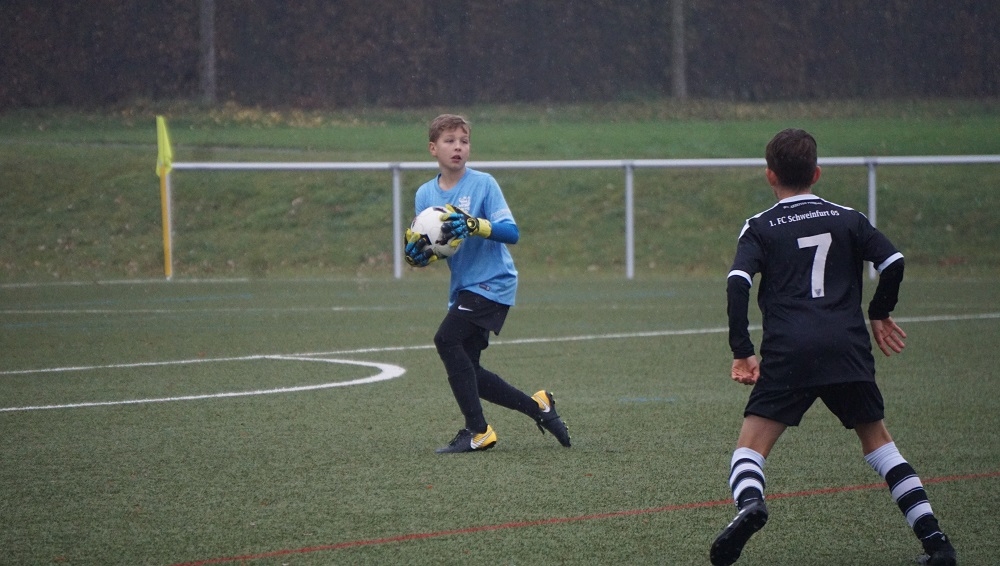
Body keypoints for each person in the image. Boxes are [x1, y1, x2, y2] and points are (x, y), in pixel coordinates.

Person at [711, 129, 956, 566]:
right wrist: (879, 311)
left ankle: (750, 504)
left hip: (790, 351)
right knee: (881, 447)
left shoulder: (761, 226)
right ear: (817, 173)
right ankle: (936, 543)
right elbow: (893, 262)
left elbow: (737, 283)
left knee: (750, 449)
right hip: (846, 348)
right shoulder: (848, 218)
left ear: (770, 176)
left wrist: (741, 348)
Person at [403, 113, 571, 454]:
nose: (458, 147)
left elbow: (512, 233)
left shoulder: (484, 184)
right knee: (470, 371)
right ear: (433, 148)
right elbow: (437, 245)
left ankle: (478, 431)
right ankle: (539, 408)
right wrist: (420, 256)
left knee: (446, 339)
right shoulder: (425, 194)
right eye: (450, 141)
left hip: (494, 283)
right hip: (465, 287)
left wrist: (475, 224)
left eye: (464, 141)